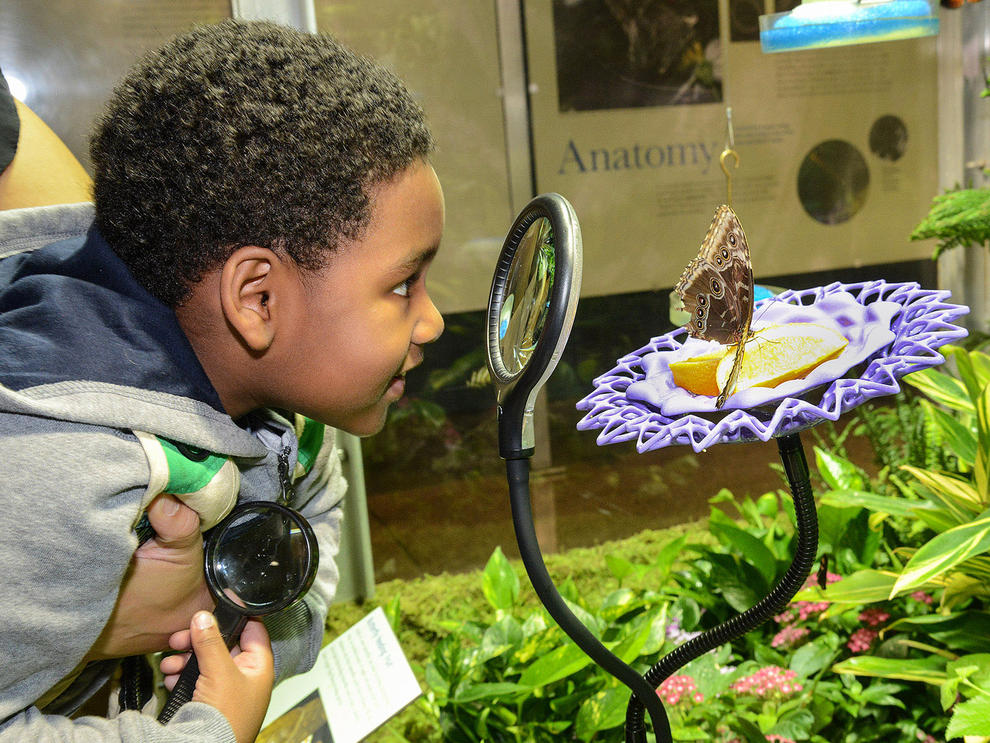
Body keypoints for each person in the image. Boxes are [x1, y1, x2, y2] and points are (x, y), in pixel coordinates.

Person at [0, 19, 444, 743]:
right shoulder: (58, 468)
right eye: (404, 285)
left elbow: (311, 544)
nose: (431, 323)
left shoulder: (285, 410)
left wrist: (219, 598)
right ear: (257, 300)